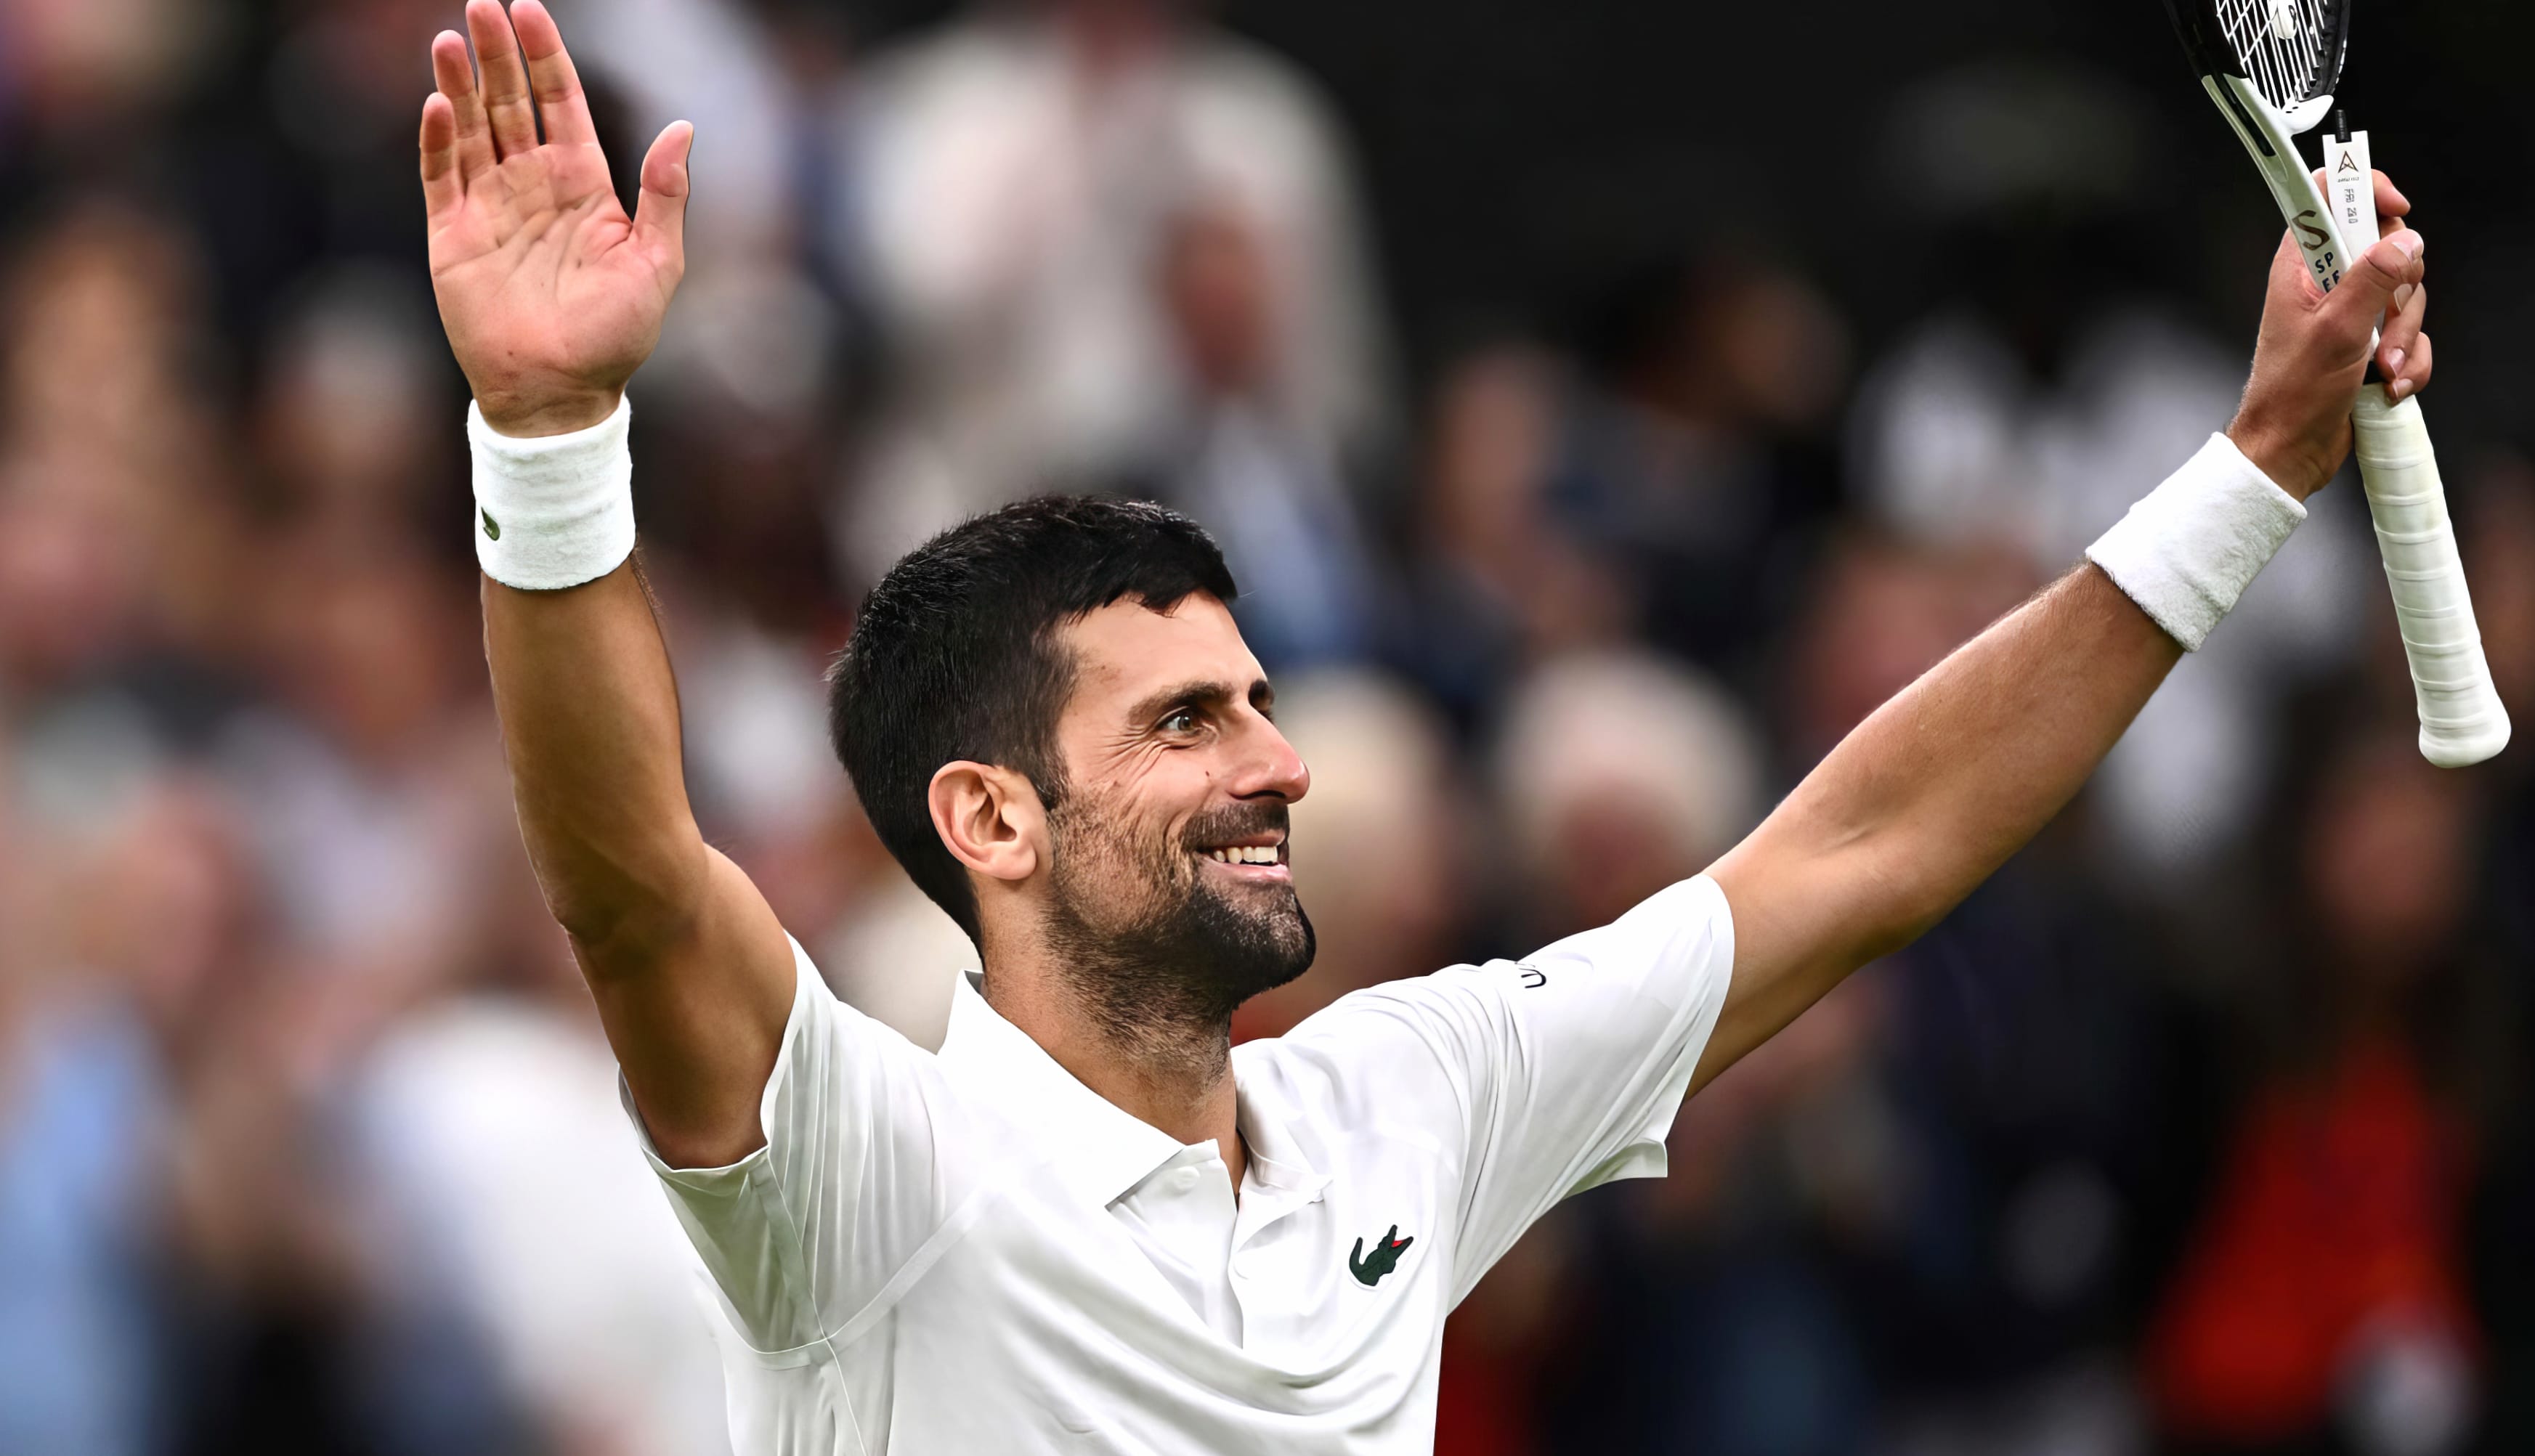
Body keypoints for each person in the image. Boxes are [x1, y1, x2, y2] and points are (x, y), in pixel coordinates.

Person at [412, 3, 2434, 1450]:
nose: (1278, 764)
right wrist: (546, 434)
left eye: (1262, 705)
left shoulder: (1406, 1099)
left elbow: (1860, 847)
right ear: (991, 822)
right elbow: (631, 888)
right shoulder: (864, 1177)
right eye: (1187, 722)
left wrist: (2255, 463)